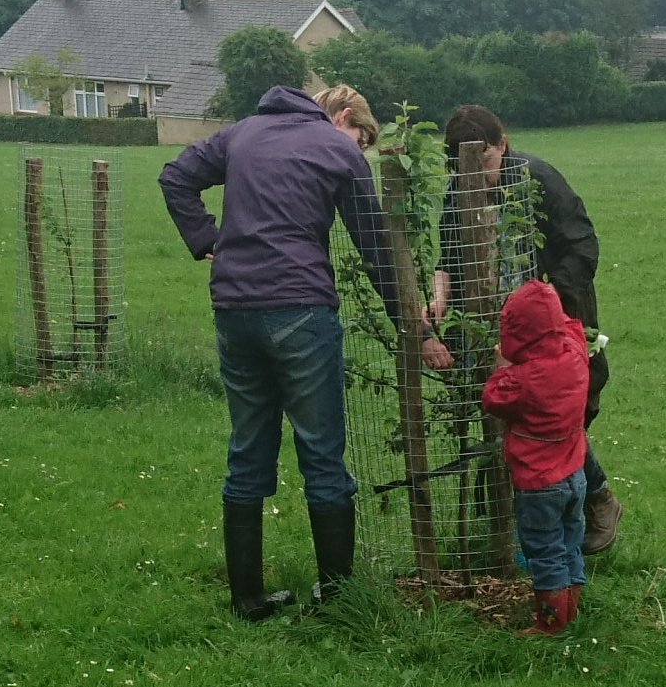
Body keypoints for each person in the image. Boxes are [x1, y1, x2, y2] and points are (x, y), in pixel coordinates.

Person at [159, 84, 451, 621]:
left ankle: (247, 598)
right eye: (361, 137)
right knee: (322, 453)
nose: (358, 149)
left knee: (248, 449)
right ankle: (338, 597)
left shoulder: (242, 133)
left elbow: (176, 176)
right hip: (299, 309)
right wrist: (417, 330)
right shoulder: (336, 149)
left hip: (234, 309)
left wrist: (208, 239)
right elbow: (376, 248)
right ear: (342, 116)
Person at [428, 104, 622, 555]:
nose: (477, 176)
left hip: (554, 325)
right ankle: (528, 532)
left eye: (486, 162)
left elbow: (582, 246)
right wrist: (439, 299)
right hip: (495, 328)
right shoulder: (462, 188)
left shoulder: (538, 179)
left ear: (502, 144)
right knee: (512, 413)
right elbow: (448, 255)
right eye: (463, 168)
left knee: (555, 419)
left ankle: (595, 503)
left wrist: (546, 308)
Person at [481, 279, 589, 634]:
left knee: (544, 551)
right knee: (570, 543)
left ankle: (550, 624)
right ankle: (570, 612)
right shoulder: (574, 353)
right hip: (575, 474)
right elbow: (571, 328)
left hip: (540, 482)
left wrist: (502, 365)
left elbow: (493, 398)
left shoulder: (524, 380)